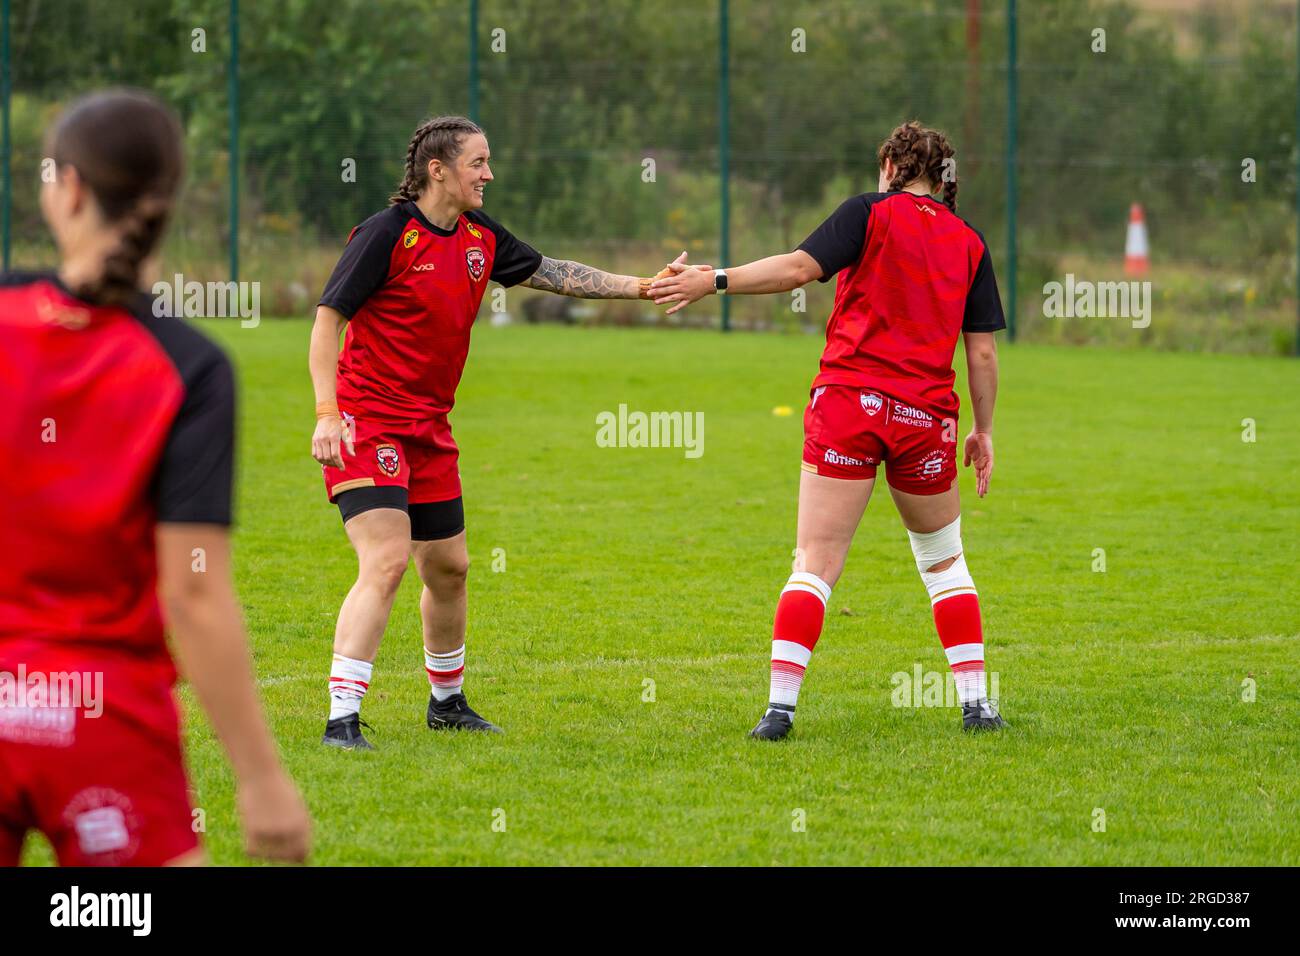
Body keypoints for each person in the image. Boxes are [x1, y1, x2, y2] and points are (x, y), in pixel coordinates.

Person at [0, 89, 311, 864]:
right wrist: (261, 777)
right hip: (106, 721)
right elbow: (193, 590)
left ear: (67, 188)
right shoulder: (190, 367)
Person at [310, 115, 678, 749]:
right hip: (365, 422)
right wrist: (324, 413)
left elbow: (553, 271)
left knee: (450, 568)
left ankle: (446, 704)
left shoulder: (480, 237)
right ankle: (342, 717)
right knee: (389, 560)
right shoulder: (386, 234)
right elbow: (326, 323)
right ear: (439, 170)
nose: (489, 174)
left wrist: (641, 288)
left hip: (429, 428)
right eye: (478, 162)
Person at [650, 121, 1008, 739]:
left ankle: (779, 712)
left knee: (816, 562)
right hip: (926, 419)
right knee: (946, 565)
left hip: (849, 404)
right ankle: (977, 706)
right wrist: (983, 430)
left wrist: (715, 279)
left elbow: (794, 270)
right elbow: (981, 356)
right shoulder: (970, 241)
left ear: (892, 168)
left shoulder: (868, 213)